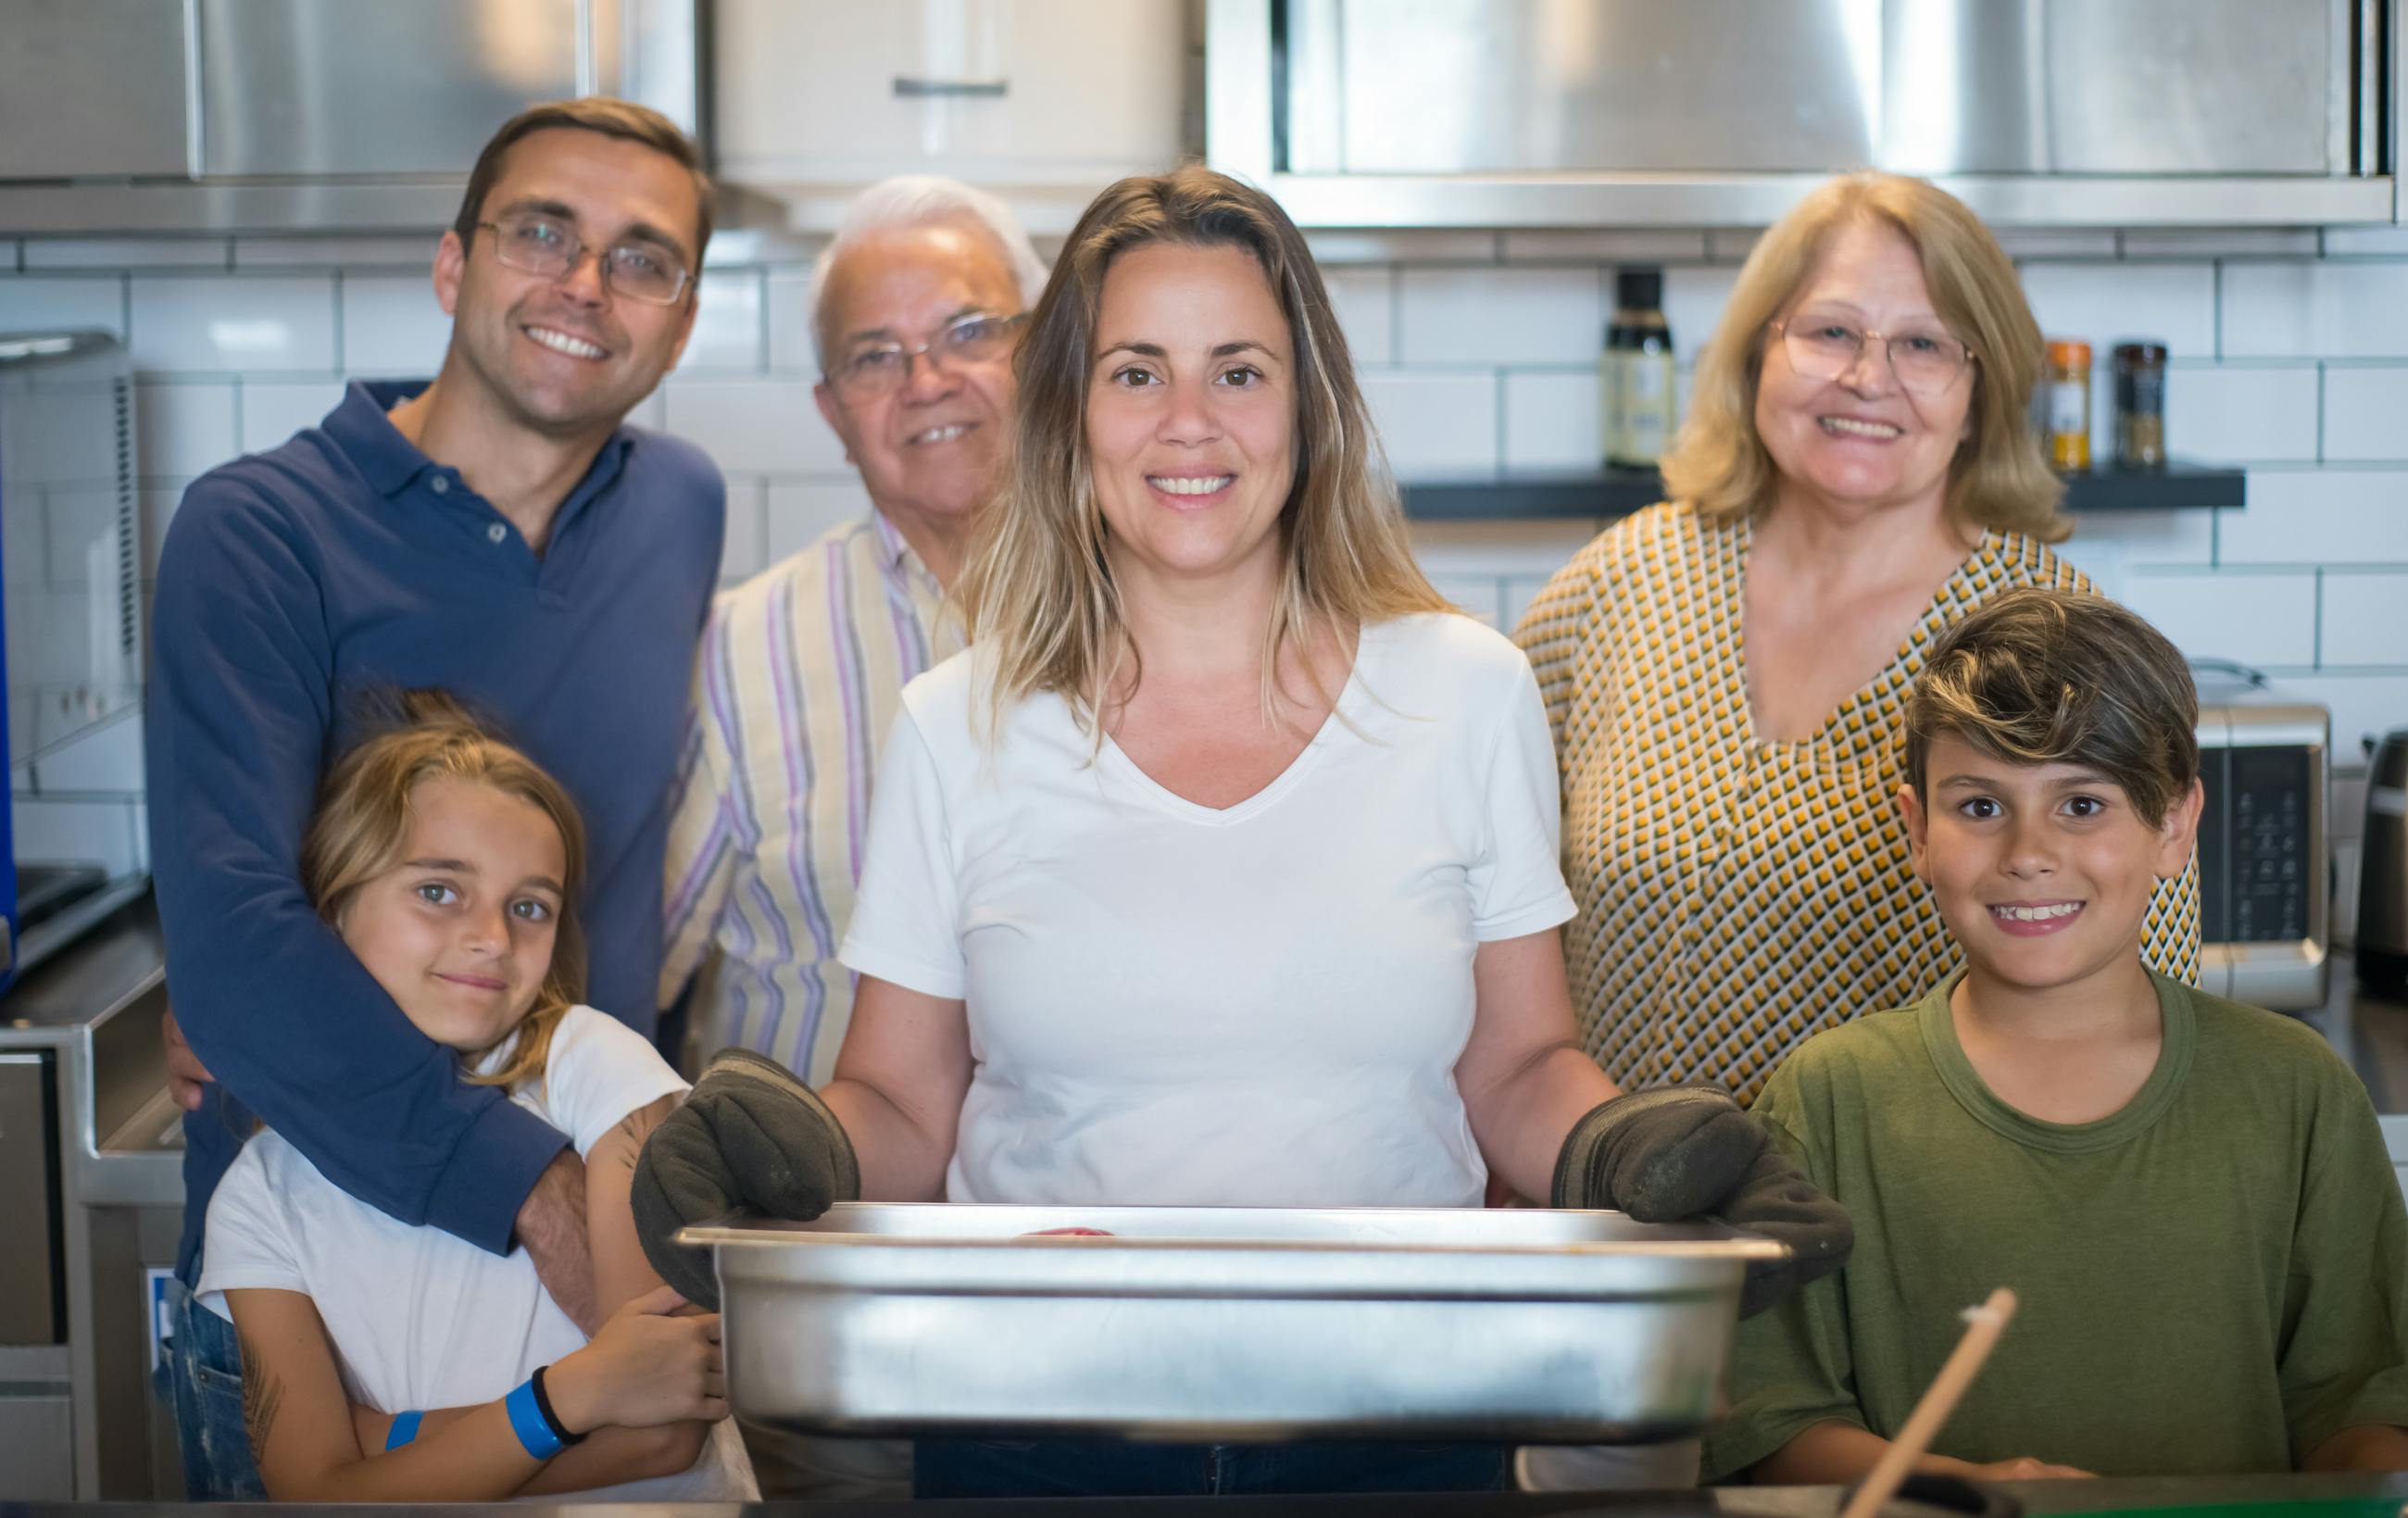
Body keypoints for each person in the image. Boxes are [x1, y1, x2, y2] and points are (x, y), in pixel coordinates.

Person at [630, 167, 1851, 1501]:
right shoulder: (956, 726)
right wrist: (791, 1157)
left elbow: (1517, 1065)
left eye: (1240, 371)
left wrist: (1631, 1153)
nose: (1191, 422)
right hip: (1031, 1418)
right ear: (1071, 417)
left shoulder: (1463, 692)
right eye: (1137, 372)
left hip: (1400, 1407)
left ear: (1307, 408)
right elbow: (905, 1102)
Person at [147, 97, 723, 1498]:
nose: (587, 286)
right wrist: (534, 1194)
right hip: (334, 1291)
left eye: (643, 258)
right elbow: (234, 936)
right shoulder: (261, 530)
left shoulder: (678, 508)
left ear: (684, 319)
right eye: (544, 233)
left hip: (594, 1289)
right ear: (455, 266)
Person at [1514, 170, 2200, 1112]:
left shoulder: (2046, 636)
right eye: (1829, 331)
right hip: (1613, 1203)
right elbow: (1491, 910)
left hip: (1910, 1229)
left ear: (1980, 387)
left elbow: (2139, 1004)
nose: (1866, 378)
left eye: (1920, 343)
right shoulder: (1615, 585)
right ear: (1759, 349)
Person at [1699, 588, 2408, 1482]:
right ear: (1918, 831)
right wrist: (1971, 1493)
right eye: (1982, 807)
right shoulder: (1829, 1098)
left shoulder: (2297, 1091)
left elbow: (2367, 1409)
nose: (2028, 852)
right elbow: (1770, 1425)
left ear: (2174, 826)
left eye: (2081, 804)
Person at [196, 694, 756, 1499]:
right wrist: (571, 1396)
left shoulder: (595, 1066)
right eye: (439, 890)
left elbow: (666, 1427)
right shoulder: (260, 1193)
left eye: (529, 906)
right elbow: (314, 1491)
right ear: (333, 906)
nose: (493, 936)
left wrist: (391, 1447)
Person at [659, 176, 1044, 1086]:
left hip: (1087, 1213)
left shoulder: (1164, 613)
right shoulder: (736, 650)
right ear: (834, 413)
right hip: (811, 1213)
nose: (925, 382)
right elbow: (632, 977)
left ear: (1043, 355)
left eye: (967, 332)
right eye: (874, 357)